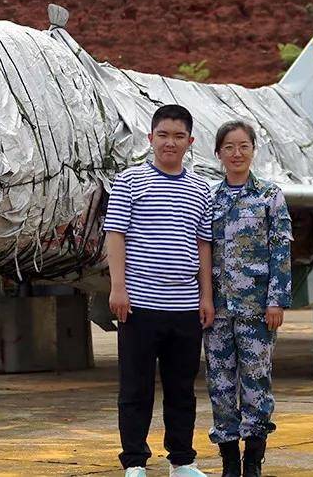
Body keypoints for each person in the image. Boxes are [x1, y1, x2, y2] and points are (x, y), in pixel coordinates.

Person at [104, 104, 216, 477]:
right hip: (138, 305)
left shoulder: (201, 189)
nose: (170, 142)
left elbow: (203, 245)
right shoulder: (130, 181)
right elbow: (115, 235)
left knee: (182, 389)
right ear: (150, 138)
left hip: (184, 307)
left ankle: (182, 460)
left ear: (190, 142)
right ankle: (134, 461)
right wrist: (118, 288)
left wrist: (206, 297)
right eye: (163, 135)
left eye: (178, 136)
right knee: (135, 389)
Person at [205, 121, 292, 477]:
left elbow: (281, 249)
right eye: (229, 147)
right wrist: (204, 300)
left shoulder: (270, 196)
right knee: (220, 384)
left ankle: (253, 459)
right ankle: (228, 460)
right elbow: (201, 252)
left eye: (243, 146)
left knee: (257, 382)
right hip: (218, 310)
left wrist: (277, 301)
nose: (236, 153)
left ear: (254, 150)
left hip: (258, 309)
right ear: (218, 153)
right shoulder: (208, 197)